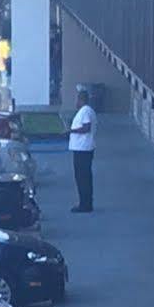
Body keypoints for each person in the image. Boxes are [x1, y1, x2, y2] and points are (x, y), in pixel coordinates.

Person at [69, 84, 96, 212]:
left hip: (83, 149)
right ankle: (86, 202)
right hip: (82, 148)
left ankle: (84, 204)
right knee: (84, 177)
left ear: (81, 100)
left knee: (82, 177)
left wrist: (71, 131)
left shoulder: (85, 111)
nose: (76, 102)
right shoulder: (86, 111)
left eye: (77, 99)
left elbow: (86, 127)